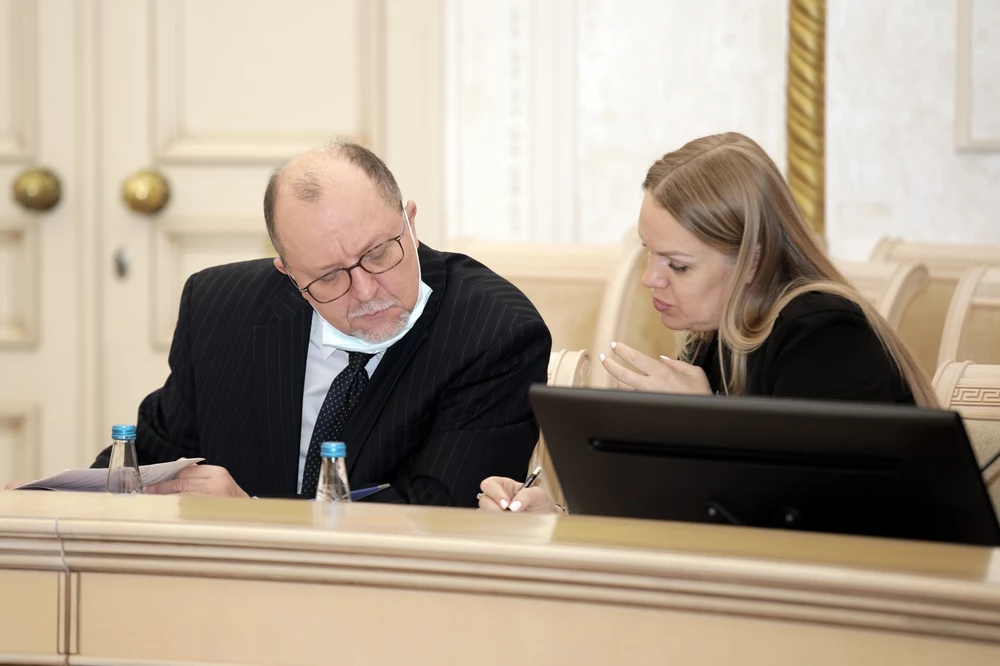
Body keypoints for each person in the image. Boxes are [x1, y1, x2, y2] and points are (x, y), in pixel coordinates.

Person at [479, 131, 936, 514]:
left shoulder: (825, 339)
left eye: (677, 265)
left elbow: (812, 523)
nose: (650, 279)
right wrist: (555, 520)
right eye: (649, 252)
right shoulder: (713, 341)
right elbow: (667, 520)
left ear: (752, 262)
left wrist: (708, 426)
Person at [91, 140, 551, 505]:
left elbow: (441, 513)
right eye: (329, 276)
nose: (366, 290)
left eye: (378, 253)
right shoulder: (220, 308)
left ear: (410, 223)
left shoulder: (495, 333)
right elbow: (148, 462)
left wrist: (253, 516)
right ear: (289, 274)